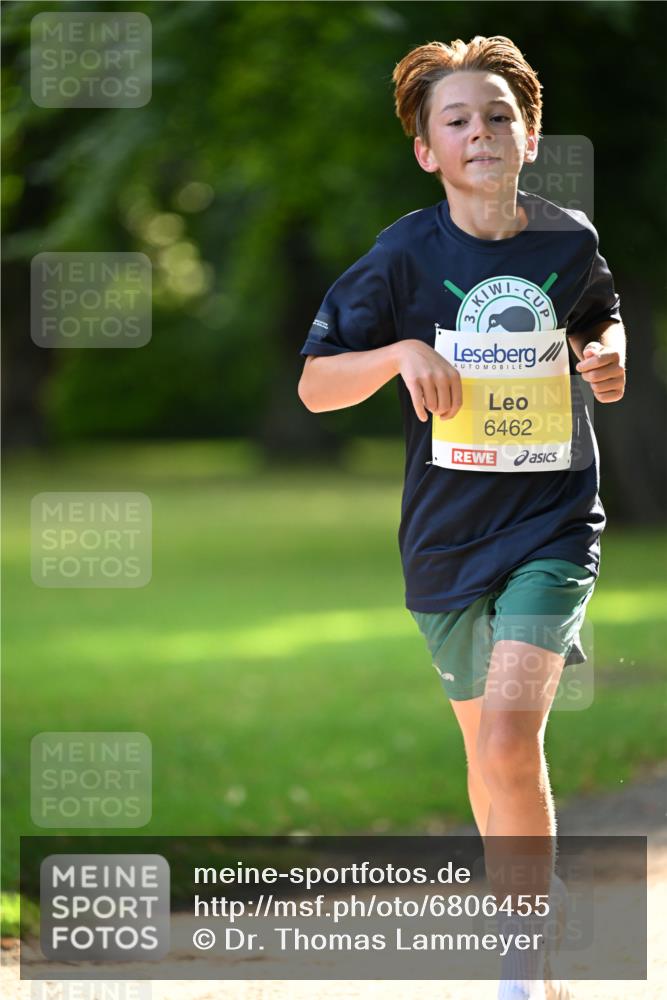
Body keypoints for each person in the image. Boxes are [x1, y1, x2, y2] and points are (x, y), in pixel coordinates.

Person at [297, 35, 626, 1000]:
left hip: (552, 523)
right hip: (444, 542)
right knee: (488, 765)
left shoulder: (567, 240)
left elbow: (599, 318)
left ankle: (521, 967)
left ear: (527, 136)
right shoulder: (402, 255)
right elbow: (316, 386)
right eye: (457, 121)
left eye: (497, 116)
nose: (480, 132)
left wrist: (605, 354)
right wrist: (399, 354)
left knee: (505, 744)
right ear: (426, 152)